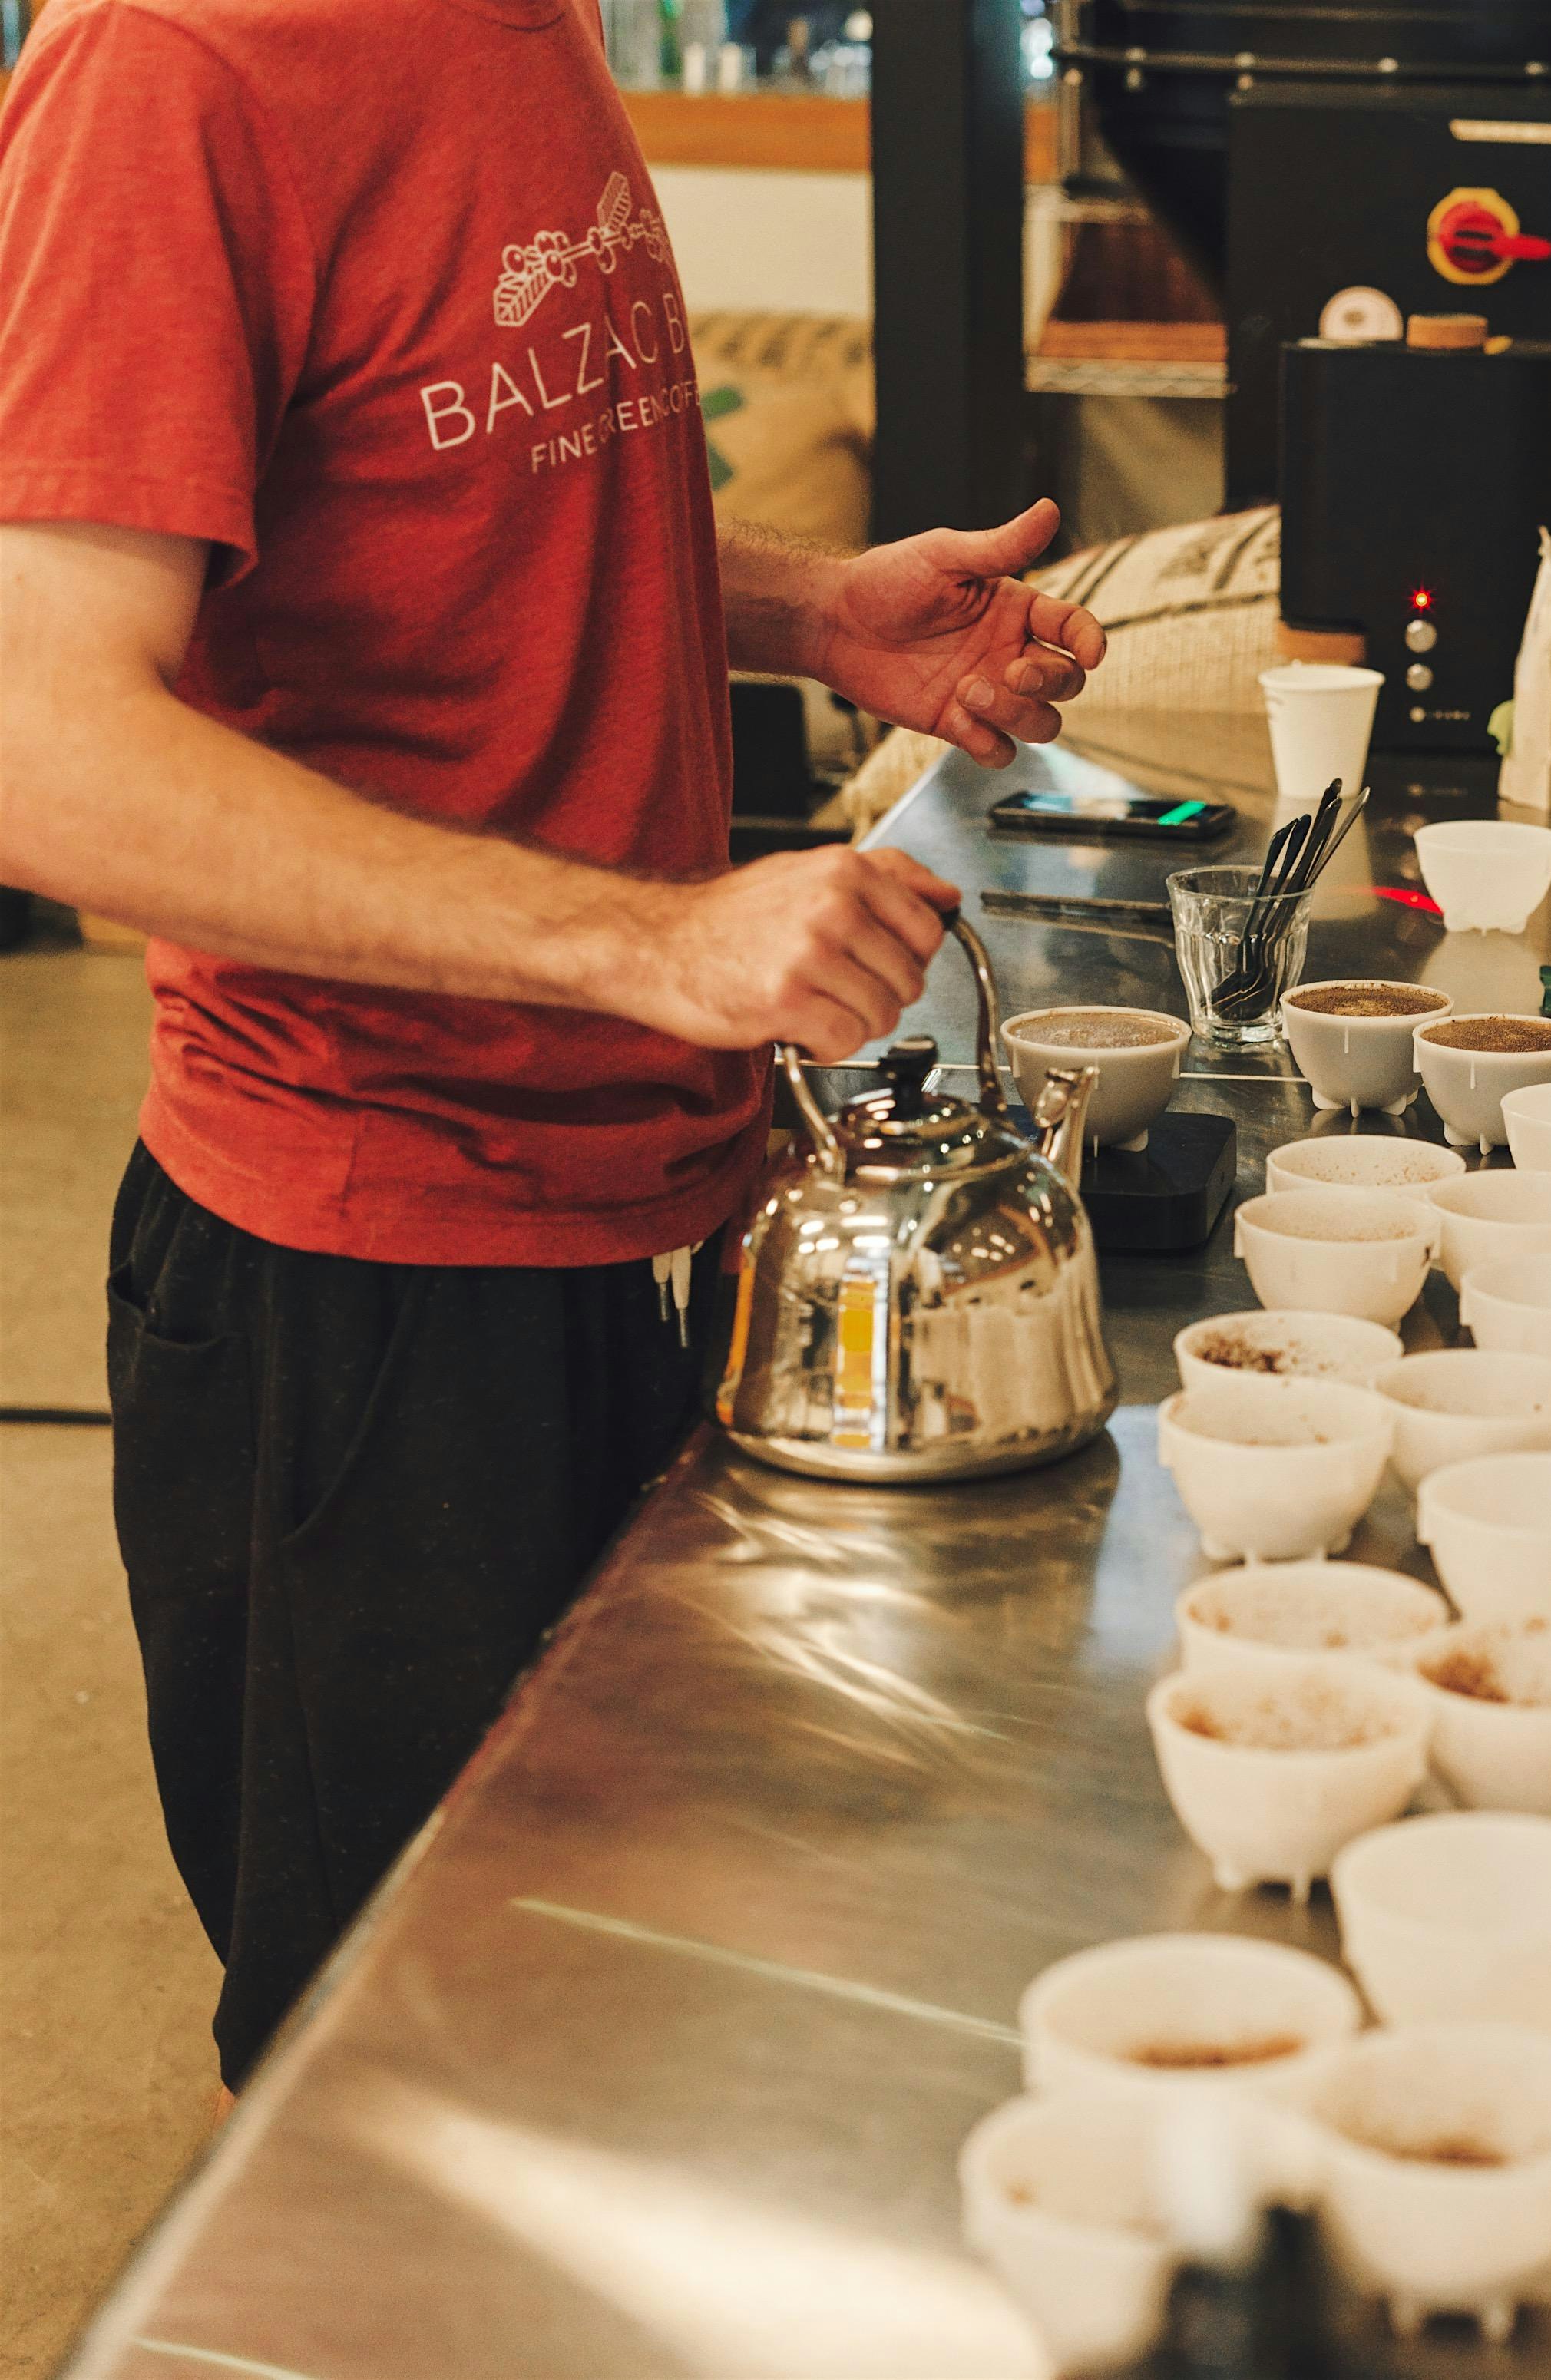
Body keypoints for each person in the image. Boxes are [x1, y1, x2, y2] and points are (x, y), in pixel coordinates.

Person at [0, 0, 1106, 2091]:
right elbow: (37, 742)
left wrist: (811, 611)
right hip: (372, 1279)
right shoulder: (174, 66)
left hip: (636, 1201)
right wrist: (651, 944)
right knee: (408, 2092)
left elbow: (457, 493)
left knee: (620, 2022)